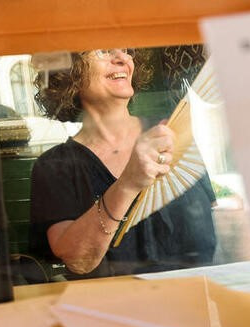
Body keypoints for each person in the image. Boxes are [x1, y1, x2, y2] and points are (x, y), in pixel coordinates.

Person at [30, 48, 217, 279]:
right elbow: (78, 260)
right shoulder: (54, 166)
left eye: (126, 50)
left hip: (198, 302)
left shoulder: (172, 133)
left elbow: (220, 220)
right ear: (69, 71)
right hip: (115, 311)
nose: (122, 58)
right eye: (104, 50)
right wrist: (128, 183)